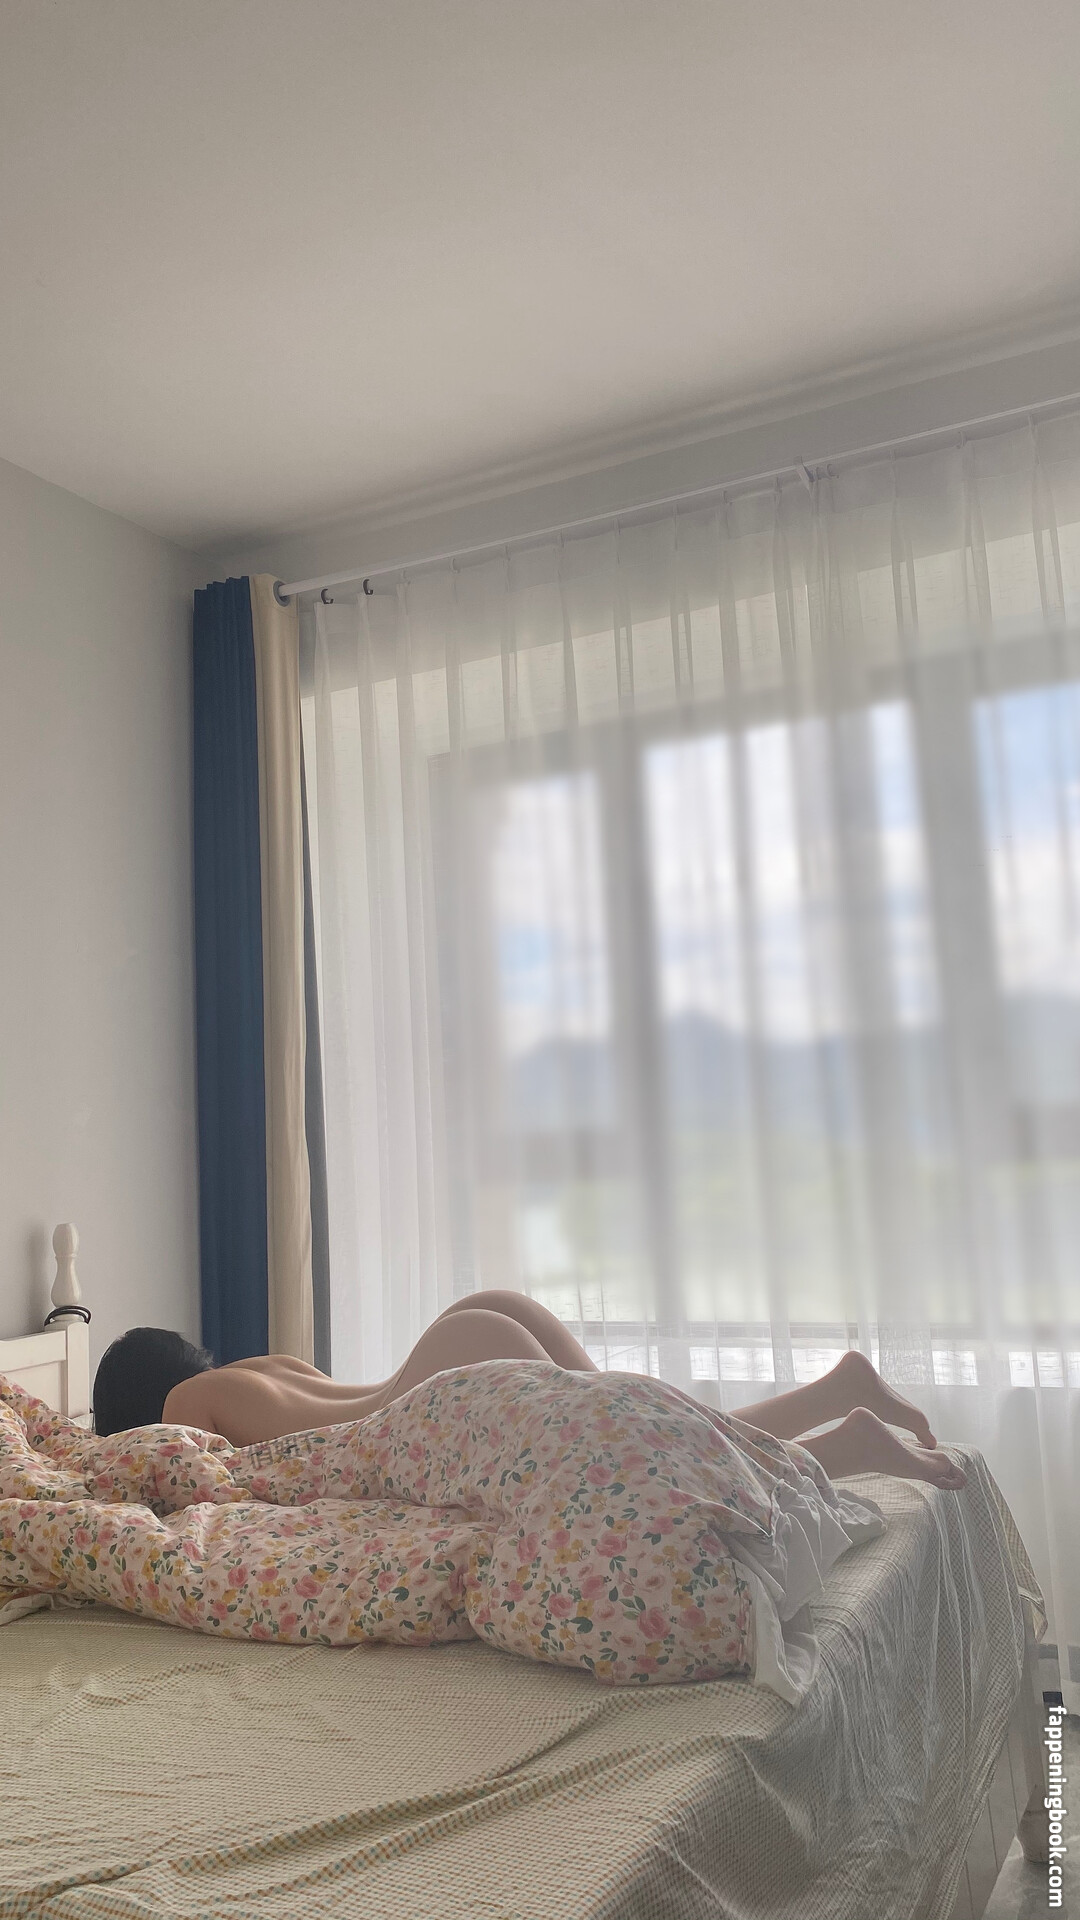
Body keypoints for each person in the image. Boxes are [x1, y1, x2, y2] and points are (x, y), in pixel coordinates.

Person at [93, 1289, 965, 1488]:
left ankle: (842, 1445)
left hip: (448, 1388)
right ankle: (836, 1405)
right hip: (467, 1333)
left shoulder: (183, 1412)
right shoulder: (259, 1370)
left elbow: (186, 1491)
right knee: (668, 1434)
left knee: (651, 1472)